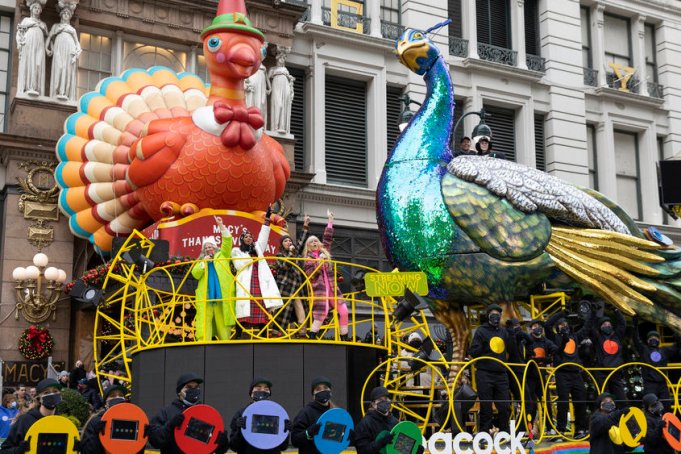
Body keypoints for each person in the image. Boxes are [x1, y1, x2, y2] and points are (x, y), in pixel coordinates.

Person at [232, 206, 283, 337]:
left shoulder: (258, 248)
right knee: (244, 308)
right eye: (246, 237)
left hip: (259, 281)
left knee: (261, 306)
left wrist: (267, 219)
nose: (249, 238)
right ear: (242, 239)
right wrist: (250, 257)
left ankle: (263, 334)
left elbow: (264, 236)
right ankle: (238, 334)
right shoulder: (236, 251)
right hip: (246, 283)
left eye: (250, 236)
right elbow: (238, 265)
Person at [148, 372, 226, 454]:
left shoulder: (207, 414)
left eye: (196, 387)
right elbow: (154, 441)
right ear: (179, 392)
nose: (193, 390)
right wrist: (169, 426)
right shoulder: (165, 412)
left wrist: (222, 442)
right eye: (188, 387)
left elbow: (219, 450)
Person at [303, 209, 349, 340]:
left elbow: (327, 239)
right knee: (321, 315)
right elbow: (310, 274)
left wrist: (330, 221)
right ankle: (312, 335)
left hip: (333, 289)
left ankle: (344, 336)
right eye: (311, 242)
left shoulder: (325, 253)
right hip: (320, 290)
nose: (314, 243)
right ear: (308, 246)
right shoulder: (307, 258)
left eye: (316, 241)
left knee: (344, 311)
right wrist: (319, 262)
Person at [545, 309, 589, 438]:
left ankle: (580, 430)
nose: (564, 326)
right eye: (561, 324)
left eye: (565, 323)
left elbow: (586, 328)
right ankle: (561, 430)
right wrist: (560, 313)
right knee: (562, 403)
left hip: (575, 373)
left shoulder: (575, 336)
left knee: (581, 401)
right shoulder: (554, 337)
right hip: (562, 373)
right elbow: (547, 325)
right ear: (557, 328)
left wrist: (590, 314)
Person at [191, 216, 235, 341]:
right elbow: (195, 274)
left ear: (215, 247)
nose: (208, 249)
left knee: (222, 322)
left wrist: (221, 225)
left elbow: (227, 240)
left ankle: (225, 342)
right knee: (204, 320)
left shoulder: (223, 255)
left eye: (210, 246)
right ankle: (203, 342)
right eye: (206, 247)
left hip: (221, 295)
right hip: (206, 296)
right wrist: (203, 264)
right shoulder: (201, 261)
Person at [469, 304, 511, 433]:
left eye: (498, 315)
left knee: (504, 406)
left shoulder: (503, 331)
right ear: (488, 316)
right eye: (493, 314)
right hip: (485, 373)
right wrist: (485, 346)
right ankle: (484, 433)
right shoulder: (481, 331)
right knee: (486, 406)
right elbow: (473, 352)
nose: (496, 317)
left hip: (501, 373)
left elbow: (509, 350)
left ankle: (504, 432)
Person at [271, 214, 311, 337]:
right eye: (285, 241)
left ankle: (302, 334)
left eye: (289, 240)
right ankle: (278, 334)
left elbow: (301, 241)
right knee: (282, 313)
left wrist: (305, 226)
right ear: (282, 244)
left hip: (297, 288)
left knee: (302, 313)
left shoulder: (295, 253)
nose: (288, 242)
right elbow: (285, 266)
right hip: (285, 288)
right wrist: (291, 254)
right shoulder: (279, 256)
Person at [0, 378, 63, 453]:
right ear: (39, 398)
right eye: (46, 392)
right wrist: (17, 451)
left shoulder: (62, 423)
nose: (52, 395)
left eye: (55, 391)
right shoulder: (24, 421)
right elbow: (4, 451)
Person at [518, 319, 558, 435]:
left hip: (542, 375)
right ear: (531, 329)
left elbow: (554, 349)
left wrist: (549, 358)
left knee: (547, 402)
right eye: (535, 326)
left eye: (539, 326)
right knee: (531, 404)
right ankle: (529, 428)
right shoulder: (526, 341)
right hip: (529, 376)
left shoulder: (546, 341)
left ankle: (550, 427)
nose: (537, 328)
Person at [229, 377, 289, 454]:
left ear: (269, 394)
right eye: (258, 388)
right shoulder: (241, 414)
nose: (262, 391)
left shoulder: (277, 414)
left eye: (266, 389)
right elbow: (234, 446)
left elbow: (283, 446)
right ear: (251, 394)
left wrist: (286, 433)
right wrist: (239, 431)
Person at [632, 317, 680, 409]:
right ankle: (650, 423)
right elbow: (636, 340)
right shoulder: (644, 350)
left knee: (666, 405)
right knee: (650, 406)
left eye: (655, 338)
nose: (653, 339)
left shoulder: (664, 351)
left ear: (658, 340)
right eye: (651, 338)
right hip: (649, 383)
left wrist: (677, 337)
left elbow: (677, 346)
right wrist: (635, 327)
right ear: (647, 340)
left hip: (662, 383)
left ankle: (667, 422)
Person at [79, 385, 140, 454]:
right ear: (106, 403)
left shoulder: (133, 420)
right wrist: (96, 436)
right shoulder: (96, 421)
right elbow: (87, 451)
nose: (118, 398)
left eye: (121, 395)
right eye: (113, 396)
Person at [589, 309, 627, 404]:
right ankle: (604, 417)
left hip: (616, 371)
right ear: (600, 327)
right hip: (602, 373)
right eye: (604, 324)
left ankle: (623, 416)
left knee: (621, 399)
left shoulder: (617, 336)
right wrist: (594, 313)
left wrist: (616, 311)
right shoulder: (598, 337)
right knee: (605, 400)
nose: (607, 326)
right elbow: (591, 326)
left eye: (608, 324)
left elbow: (623, 324)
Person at [45, 0, 80, 101]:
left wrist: (76, 54)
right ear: (61, 15)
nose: (66, 15)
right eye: (64, 13)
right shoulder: (56, 26)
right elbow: (49, 37)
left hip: (69, 49)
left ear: (70, 16)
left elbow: (77, 44)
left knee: (66, 69)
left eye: (68, 14)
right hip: (59, 49)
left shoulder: (72, 29)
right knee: (59, 68)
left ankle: (64, 92)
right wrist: (46, 48)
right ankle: (56, 92)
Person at [291, 377, 334, 454]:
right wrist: (308, 433)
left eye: (325, 388)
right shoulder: (305, 413)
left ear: (330, 392)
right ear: (313, 395)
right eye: (318, 389)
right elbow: (295, 440)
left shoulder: (335, 413)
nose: (322, 391)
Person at [353, 387, 399, 454]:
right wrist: (380, 443)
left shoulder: (394, 422)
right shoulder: (365, 424)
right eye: (380, 400)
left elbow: (401, 447)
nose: (384, 402)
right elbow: (362, 451)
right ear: (373, 404)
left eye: (386, 399)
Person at [15, 0, 48, 97]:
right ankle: (29, 87)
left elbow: (47, 36)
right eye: (35, 8)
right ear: (31, 9)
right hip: (29, 42)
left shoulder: (43, 24)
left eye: (39, 8)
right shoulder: (26, 21)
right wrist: (19, 43)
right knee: (30, 62)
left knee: (38, 63)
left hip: (40, 44)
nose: (37, 10)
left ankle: (36, 87)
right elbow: (20, 32)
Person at [268, 45, 294, 134]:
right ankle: (275, 126)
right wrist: (269, 88)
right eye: (281, 58)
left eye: (284, 58)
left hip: (285, 85)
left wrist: (290, 80)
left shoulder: (285, 70)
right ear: (277, 59)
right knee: (278, 104)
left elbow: (290, 79)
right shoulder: (272, 69)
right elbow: (267, 78)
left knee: (284, 104)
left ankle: (282, 126)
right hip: (276, 85)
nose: (282, 60)